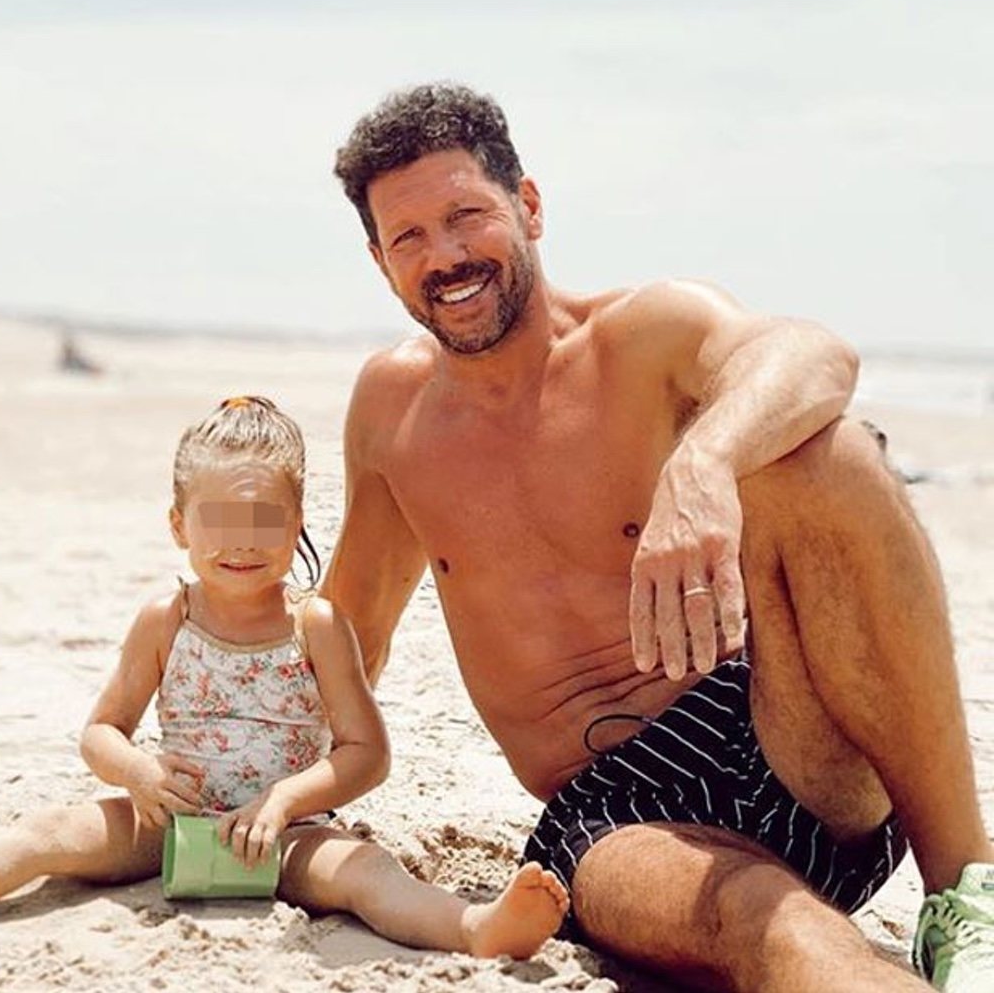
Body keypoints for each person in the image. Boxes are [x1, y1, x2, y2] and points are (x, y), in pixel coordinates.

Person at [322, 82, 994, 990]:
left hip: (779, 728)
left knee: (825, 454)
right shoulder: (392, 413)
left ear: (528, 206)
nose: (446, 256)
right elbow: (348, 633)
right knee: (765, 923)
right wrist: (230, 757)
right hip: (615, 818)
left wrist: (703, 462)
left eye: (466, 216)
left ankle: (966, 893)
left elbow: (813, 355)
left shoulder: (644, 335)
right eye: (409, 238)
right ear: (380, 261)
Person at [0, 397, 570, 960]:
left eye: (264, 522)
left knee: (367, 872)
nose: (242, 545)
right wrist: (137, 771)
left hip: (288, 835)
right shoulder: (165, 618)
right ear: (180, 525)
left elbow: (365, 753)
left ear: (298, 518)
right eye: (219, 523)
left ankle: (476, 928)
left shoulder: (317, 626)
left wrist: (286, 801)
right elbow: (101, 731)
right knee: (46, 837)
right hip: (167, 825)